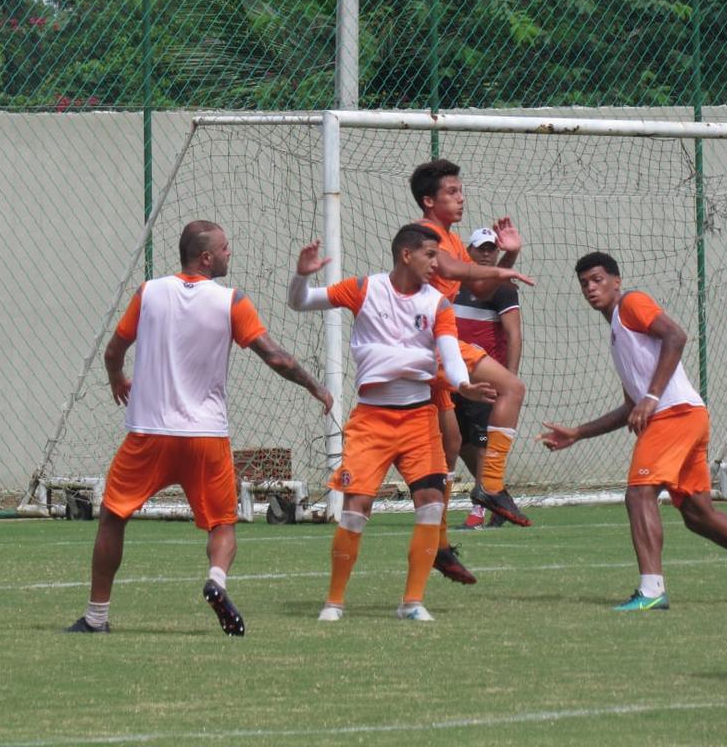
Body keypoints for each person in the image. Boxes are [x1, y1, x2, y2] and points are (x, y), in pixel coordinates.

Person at [66, 220, 333, 636]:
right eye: (226, 248)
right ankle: (216, 580)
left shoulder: (149, 292)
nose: (231, 254)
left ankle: (96, 617)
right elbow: (276, 358)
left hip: (148, 433)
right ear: (206, 257)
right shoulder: (231, 302)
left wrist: (118, 379)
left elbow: (114, 350)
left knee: (113, 517)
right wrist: (316, 386)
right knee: (222, 524)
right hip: (205, 437)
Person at [288, 224, 511, 622]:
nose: (436, 263)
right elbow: (300, 302)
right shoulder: (362, 288)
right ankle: (334, 602)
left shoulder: (438, 305)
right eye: (430, 254)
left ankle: (412, 602)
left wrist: (462, 384)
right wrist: (302, 274)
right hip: (370, 420)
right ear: (406, 255)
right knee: (355, 507)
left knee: (430, 504)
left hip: (419, 419)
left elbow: (449, 352)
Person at [539, 252, 727, 610]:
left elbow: (676, 335)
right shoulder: (616, 331)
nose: (590, 288)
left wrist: (653, 397)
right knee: (699, 517)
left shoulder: (631, 303)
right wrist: (578, 432)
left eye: (597, 280)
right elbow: (631, 407)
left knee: (639, 493)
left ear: (616, 281)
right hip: (684, 416)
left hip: (675, 414)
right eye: (584, 284)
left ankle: (652, 590)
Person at [410, 159, 533, 539]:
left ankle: (481, 495)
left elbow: (477, 288)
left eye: (461, 191)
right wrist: (500, 269)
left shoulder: (451, 238)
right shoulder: (422, 234)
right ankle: (482, 493)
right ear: (429, 201)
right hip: (417, 344)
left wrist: (508, 257)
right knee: (437, 445)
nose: (461, 199)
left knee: (455, 440)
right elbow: (452, 270)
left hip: (443, 343)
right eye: (452, 192)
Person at [451, 228, 523, 529]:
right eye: (480, 248)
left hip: (486, 377)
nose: (486, 253)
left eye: (491, 249)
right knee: (460, 441)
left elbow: (514, 333)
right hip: (455, 376)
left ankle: (480, 506)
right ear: (468, 251)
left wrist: (508, 377)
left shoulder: (502, 288)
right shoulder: (454, 285)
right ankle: (495, 494)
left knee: (482, 440)